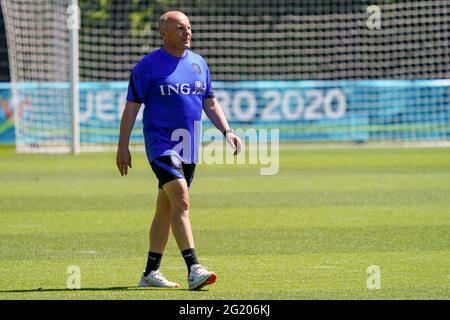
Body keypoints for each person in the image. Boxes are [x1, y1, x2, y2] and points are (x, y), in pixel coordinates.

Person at [116, 11, 242, 290]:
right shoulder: (147, 67)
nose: (188, 32)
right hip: (160, 143)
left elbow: (210, 102)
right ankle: (194, 268)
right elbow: (131, 110)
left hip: (189, 146)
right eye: (181, 28)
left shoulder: (198, 63)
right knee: (181, 199)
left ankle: (150, 273)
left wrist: (228, 130)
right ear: (164, 34)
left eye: (189, 27)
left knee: (166, 208)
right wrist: (122, 146)